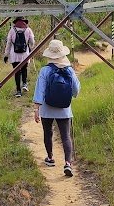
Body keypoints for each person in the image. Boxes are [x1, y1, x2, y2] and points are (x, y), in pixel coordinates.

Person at [33, 38, 81, 177]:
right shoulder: (70, 70)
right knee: (65, 136)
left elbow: (39, 90)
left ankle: (50, 158)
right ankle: (67, 163)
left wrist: (37, 109)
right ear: (63, 54)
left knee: (48, 133)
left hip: (47, 108)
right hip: (64, 109)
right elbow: (76, 90)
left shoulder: (45, 71)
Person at [3, 16, 35, 96]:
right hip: (25, 54)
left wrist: (6, 55)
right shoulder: (28, 30)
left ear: (16, 21)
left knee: (16, 71)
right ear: (24, 21)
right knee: (24, 68)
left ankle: (18, 91)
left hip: (14, 54)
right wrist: (30, 47)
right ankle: (24, 84)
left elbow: (9, 43)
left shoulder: (12, 30)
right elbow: (32, 42)